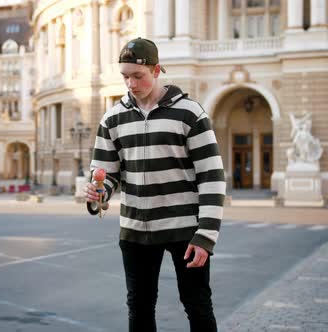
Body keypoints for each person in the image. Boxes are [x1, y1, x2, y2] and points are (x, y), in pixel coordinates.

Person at [84, 37, 225, 332]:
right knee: (139, 308)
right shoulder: (112, 119)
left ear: (157, 69)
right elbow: (107, 174)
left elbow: (211, 176)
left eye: (138, 76)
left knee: (197, 306)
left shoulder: (190, 113)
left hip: (185, 230)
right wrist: (98, 192)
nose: (131, 84)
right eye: (125, 77)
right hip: (135, 231)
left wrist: (206, 236)